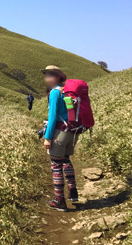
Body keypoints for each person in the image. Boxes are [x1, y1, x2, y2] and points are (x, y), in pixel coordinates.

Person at [41, 65, 78, 211]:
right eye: (46, 74)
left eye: (50, 75)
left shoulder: (55, 93)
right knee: (66, 160)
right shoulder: (66, 91)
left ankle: (59, 201)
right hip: (71, 132)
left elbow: (52, 117)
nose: (47, 78)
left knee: (56, 165)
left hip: (60, 134)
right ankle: (73, 192)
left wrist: (48, 137)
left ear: (58, 77)